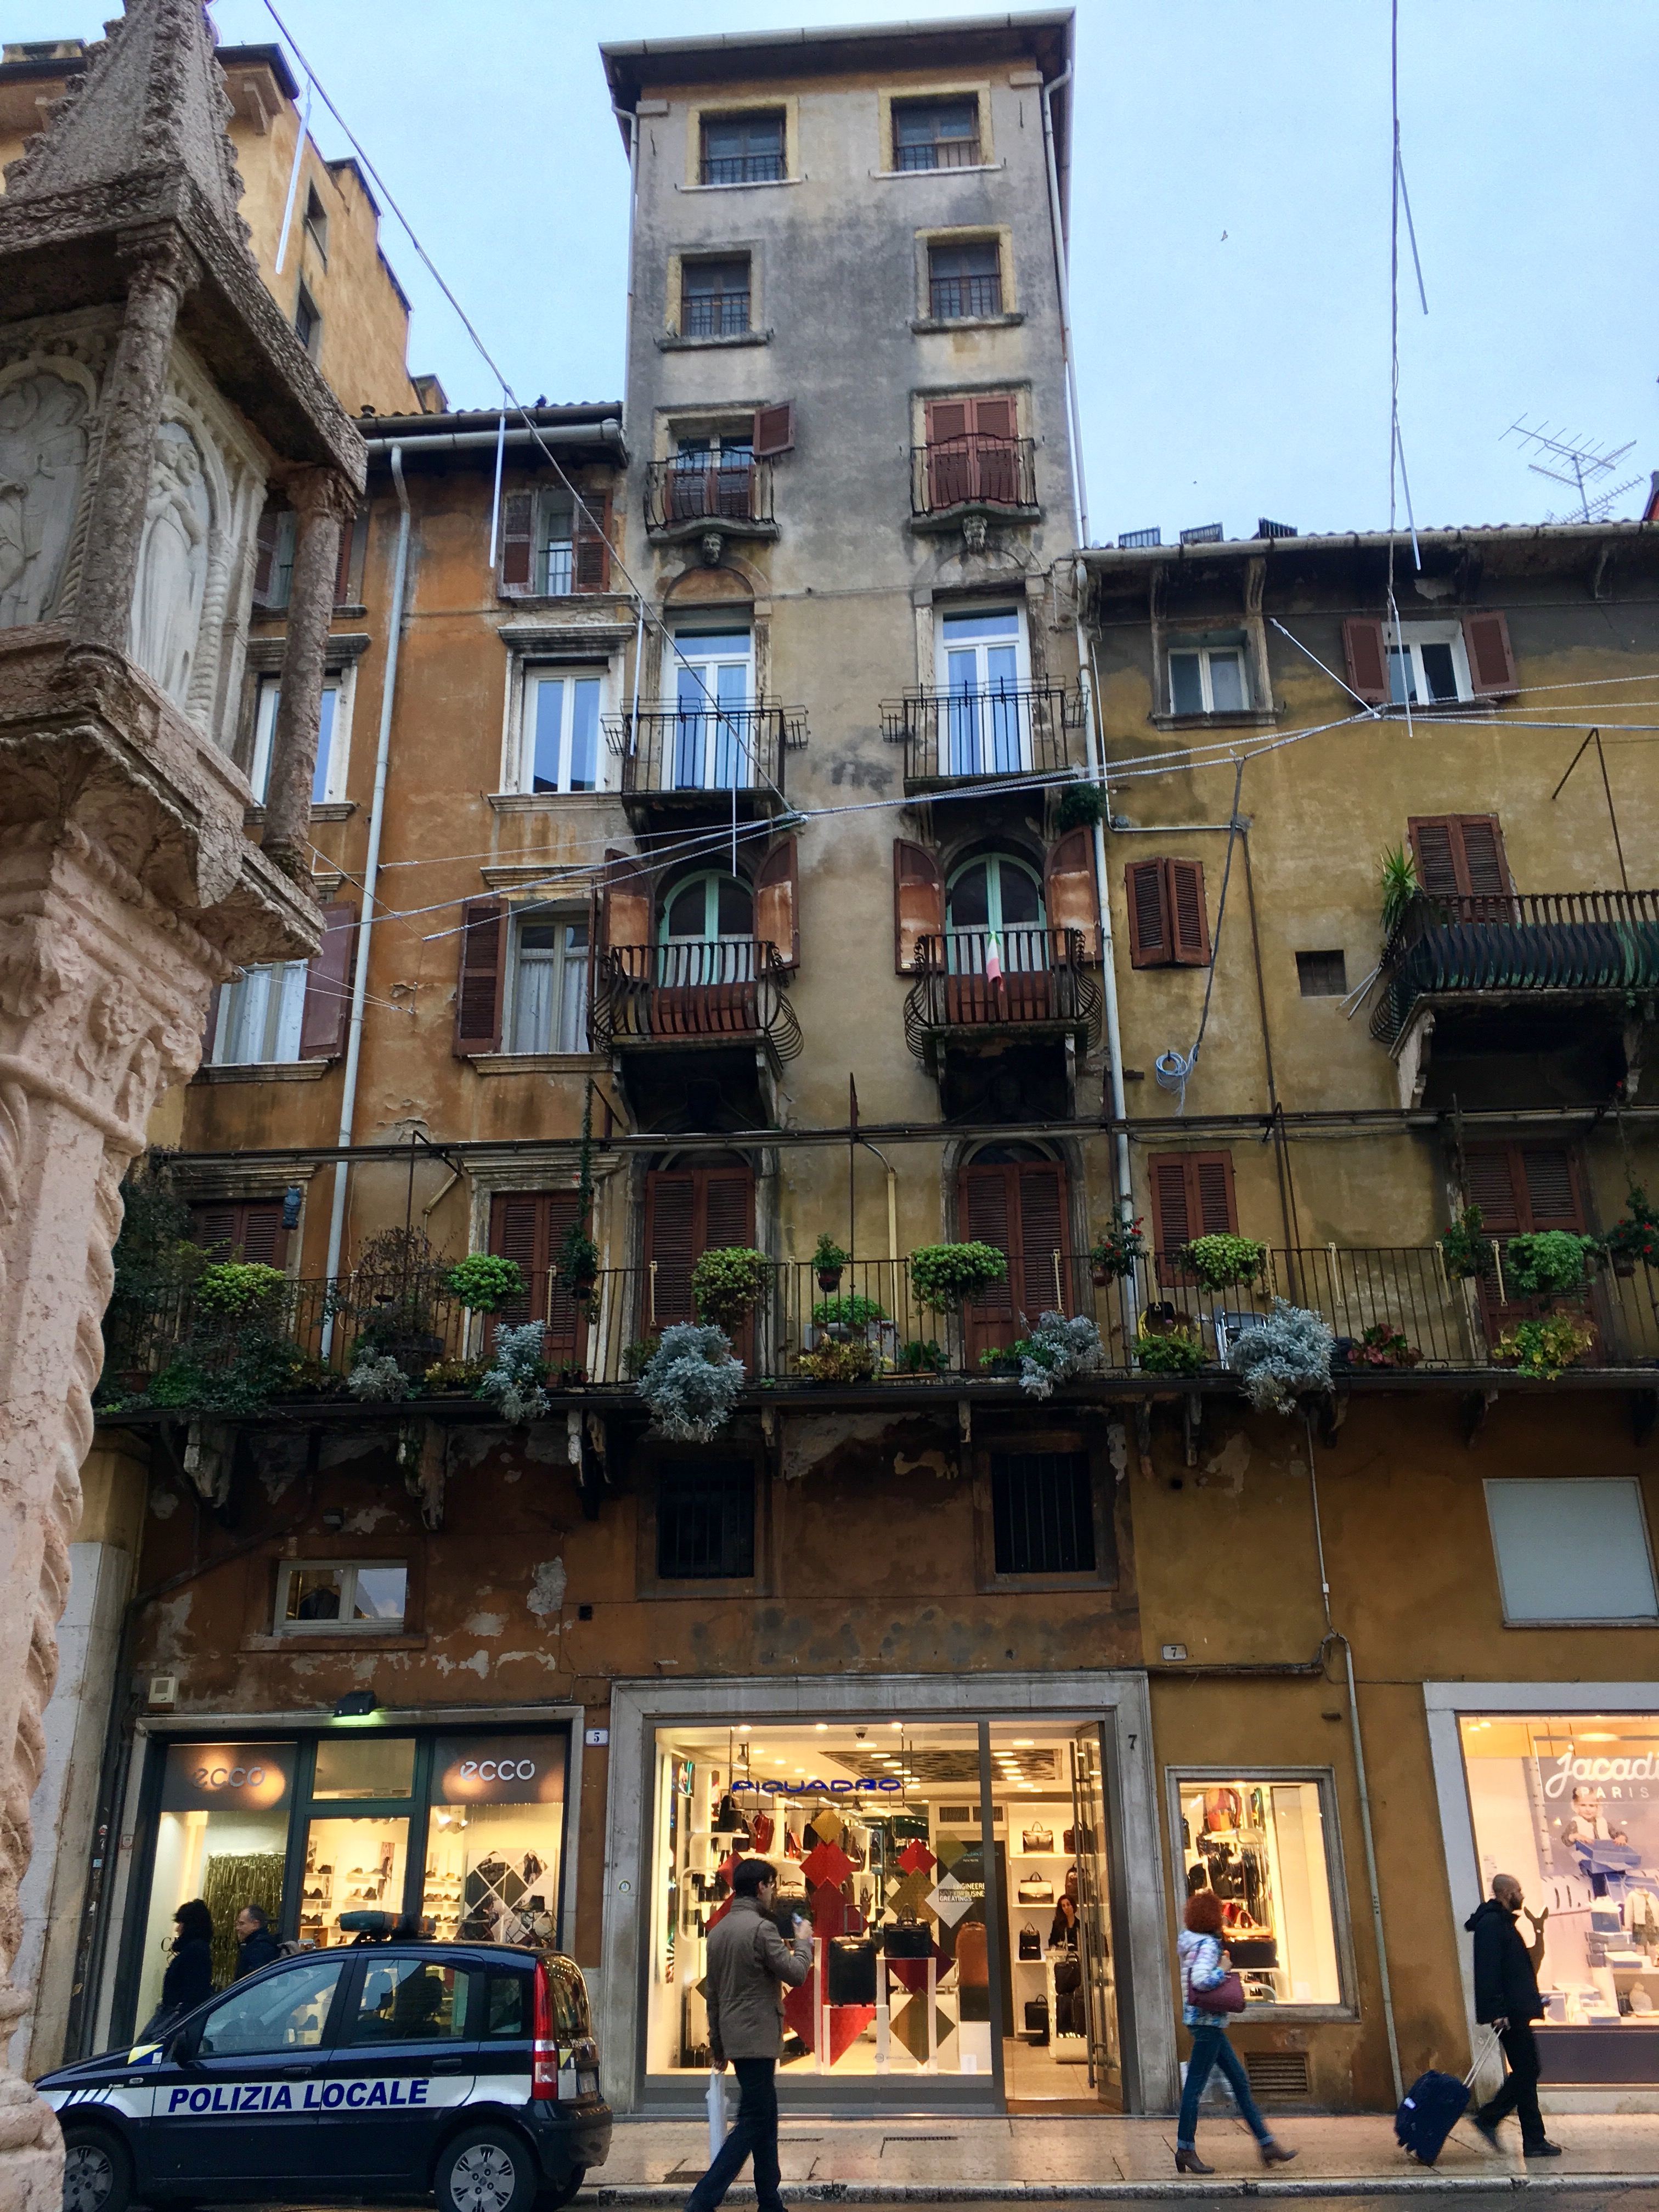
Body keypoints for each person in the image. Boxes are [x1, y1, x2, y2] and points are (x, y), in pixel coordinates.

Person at [684, 1859, 812, 2212]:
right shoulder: (761, 1929)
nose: (774, 1893)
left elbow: (713, 1995)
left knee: (765, 2116)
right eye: (772, 1885)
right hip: (759, 2038)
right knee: (754, 2119)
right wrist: (804, 1943)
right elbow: (796, 1974)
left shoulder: (718, 1932)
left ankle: (770, 2201)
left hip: (736, 2038)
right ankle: (703, 2198)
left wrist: (718, 2045)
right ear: (761, 1887)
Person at [1174, 1891, 1296, 2174]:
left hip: (1206, 2023)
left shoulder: (1193, 1943)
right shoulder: (1207, 1945)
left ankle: (1266, 2143)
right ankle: (1185, 2149)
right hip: (1208, 2024)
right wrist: (1224, 1969)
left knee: (1239, 2082)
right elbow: (1201, 1980)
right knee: (1195, 2087)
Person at [1466, 1872, 1561, 2158]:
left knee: (1526, 2072)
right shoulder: (1492, 1925)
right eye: (1519, 1891)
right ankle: (1491, 2117)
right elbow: (1488, 1972)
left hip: (1516, 2011)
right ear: (1507, 1894)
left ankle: (1533, 2139)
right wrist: (1497, 2012)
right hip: (1508, 2014)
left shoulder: (1502, 1923)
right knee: (1528, 2070)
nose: (1522, 1895)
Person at [141, 1899, 215, 2039]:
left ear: (190, 1926)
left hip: (175, 2023)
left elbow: (193, 1995)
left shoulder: (195, 1952)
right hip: (176, 2020)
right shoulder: (196, 1950)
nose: (177, 1929)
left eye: (181, 1924)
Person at [234, 1903, 281, 1979]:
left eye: (242, 1924)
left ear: (256, 1925)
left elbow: (255, 1980)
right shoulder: (260, 1944)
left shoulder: (259, 1948)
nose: (238, 1928)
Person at [1049, 1867, 1080, 1950]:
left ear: (1073, 1906)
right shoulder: (1057, 1925)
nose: (1066, 1908)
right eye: (1063, 1906)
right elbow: (1052, 1943)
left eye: (1068, 1905)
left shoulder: (1080, 1925)